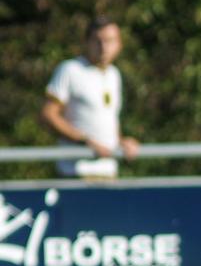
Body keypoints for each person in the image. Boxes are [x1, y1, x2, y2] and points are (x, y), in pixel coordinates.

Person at [41, 15, 140, 178]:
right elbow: (48, 115)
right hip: (75, 172)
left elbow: (108, 119)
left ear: (119, 44)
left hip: (108, 172)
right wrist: (85, 142)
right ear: (86, 42)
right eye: (98, 41)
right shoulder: (70, 69)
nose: (103, 47)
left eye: (109, 41)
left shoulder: (114, 74)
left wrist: (121, 141)